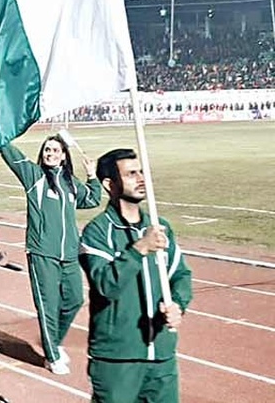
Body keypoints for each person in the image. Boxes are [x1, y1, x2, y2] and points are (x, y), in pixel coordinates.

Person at [79, 148, 192, 403]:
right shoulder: (96, 232)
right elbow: (106, 285)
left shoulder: (160, 228)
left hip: (162, 359)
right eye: (131, 174)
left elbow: (181, 275)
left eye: (141, 171)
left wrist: (178, 305)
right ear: (110, 184)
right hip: (117, 360)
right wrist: (140, 248)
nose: (141, 178)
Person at [0, 135, 101, 374]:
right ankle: (52, 356)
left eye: (55, 150)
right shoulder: (34, 177)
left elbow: (93, 199)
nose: (50, 153)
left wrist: (92, 175)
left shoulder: (70, 182)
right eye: (46, 149)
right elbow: (10, 155)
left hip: (69, 254)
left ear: (64, 155)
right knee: (48, 304)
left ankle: (53, 340)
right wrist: (1, 136)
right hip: (42, 252)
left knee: (74, 299)